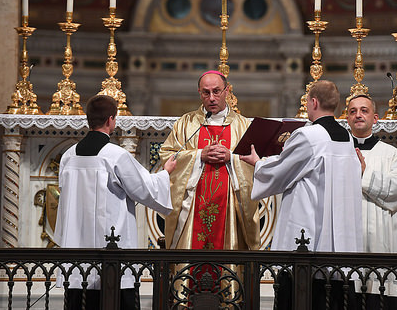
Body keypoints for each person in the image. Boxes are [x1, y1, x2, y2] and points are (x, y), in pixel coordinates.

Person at [241, 80, 363, 310]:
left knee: (302, 296)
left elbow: (281, 171)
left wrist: (258, 163)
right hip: (340, 239)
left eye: (307, 101)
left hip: (308, 235)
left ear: (314, 102)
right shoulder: (347, 137)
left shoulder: (307, 136)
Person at [55, 95, 175, 310]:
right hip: (112, 251)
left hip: (76, 248)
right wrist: (165, 174)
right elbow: (146, 189)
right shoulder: (115, 155)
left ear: (88, 118)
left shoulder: (68, 155)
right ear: (111, 120)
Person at [159, 71, 260, 251]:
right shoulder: (186, 123)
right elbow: (167, 155)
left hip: (229, 207)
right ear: (199, 92)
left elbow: (257, 162)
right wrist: (198, 155)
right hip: (192, 207)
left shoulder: (243, 125)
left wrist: (231, 157)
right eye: (206, 92)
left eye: (217, 91)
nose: (212, 98)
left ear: (227, 91)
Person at [346, 95, 397, 310]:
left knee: (378, 296)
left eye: (363, 110)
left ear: (375, 118)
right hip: (347, 239)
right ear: (347, 118)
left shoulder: (390, 153)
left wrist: (365, 174)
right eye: (353, 111)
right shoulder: (339, 152)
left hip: (379, 238)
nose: (358, 115)